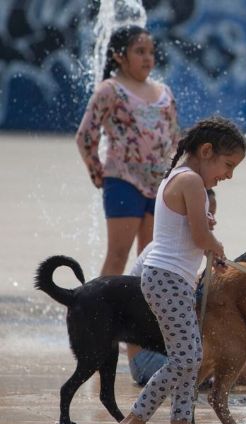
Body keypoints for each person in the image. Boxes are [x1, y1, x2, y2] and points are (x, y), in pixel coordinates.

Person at [103, 116, 245, 424]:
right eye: (228, 165)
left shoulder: (183, 179)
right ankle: (132, 423)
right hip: (166, 279)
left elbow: (190, 231)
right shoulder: (192, 181)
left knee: (191, 358)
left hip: (170, 279)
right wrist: (215, 243)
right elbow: (199, 237)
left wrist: (206, 233)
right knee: (185, 358)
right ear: (207, 151)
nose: (229, 175)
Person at [124, 190, 246, 390]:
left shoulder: (193, 248)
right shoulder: (163, 252)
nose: (213, 221)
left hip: (178, 350)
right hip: (149, 360)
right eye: (207, 213)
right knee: (230, 353)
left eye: (214, 213)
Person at [76, 25, 179, 277]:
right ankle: (100, 313)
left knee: (152, 258)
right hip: (124, 181)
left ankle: (140, 316)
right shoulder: (109, 90)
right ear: (119, 56)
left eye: (151, 52)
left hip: (160, 185)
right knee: (119, 254)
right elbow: (85, 136)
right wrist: (96, 172)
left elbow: (176, 138)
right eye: (140, 52)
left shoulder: (164, 93)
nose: (148, 58)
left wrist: (178, 176)